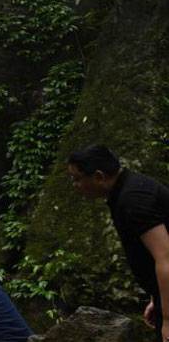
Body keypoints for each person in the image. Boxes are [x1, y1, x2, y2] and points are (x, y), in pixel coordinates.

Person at [68, 143, 169, 342]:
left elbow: (166, 256)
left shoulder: (133, 199)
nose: (75, 186)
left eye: (77, 179)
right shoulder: (127, 190)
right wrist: (156, 298)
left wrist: (168, 317)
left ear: (98, 176)